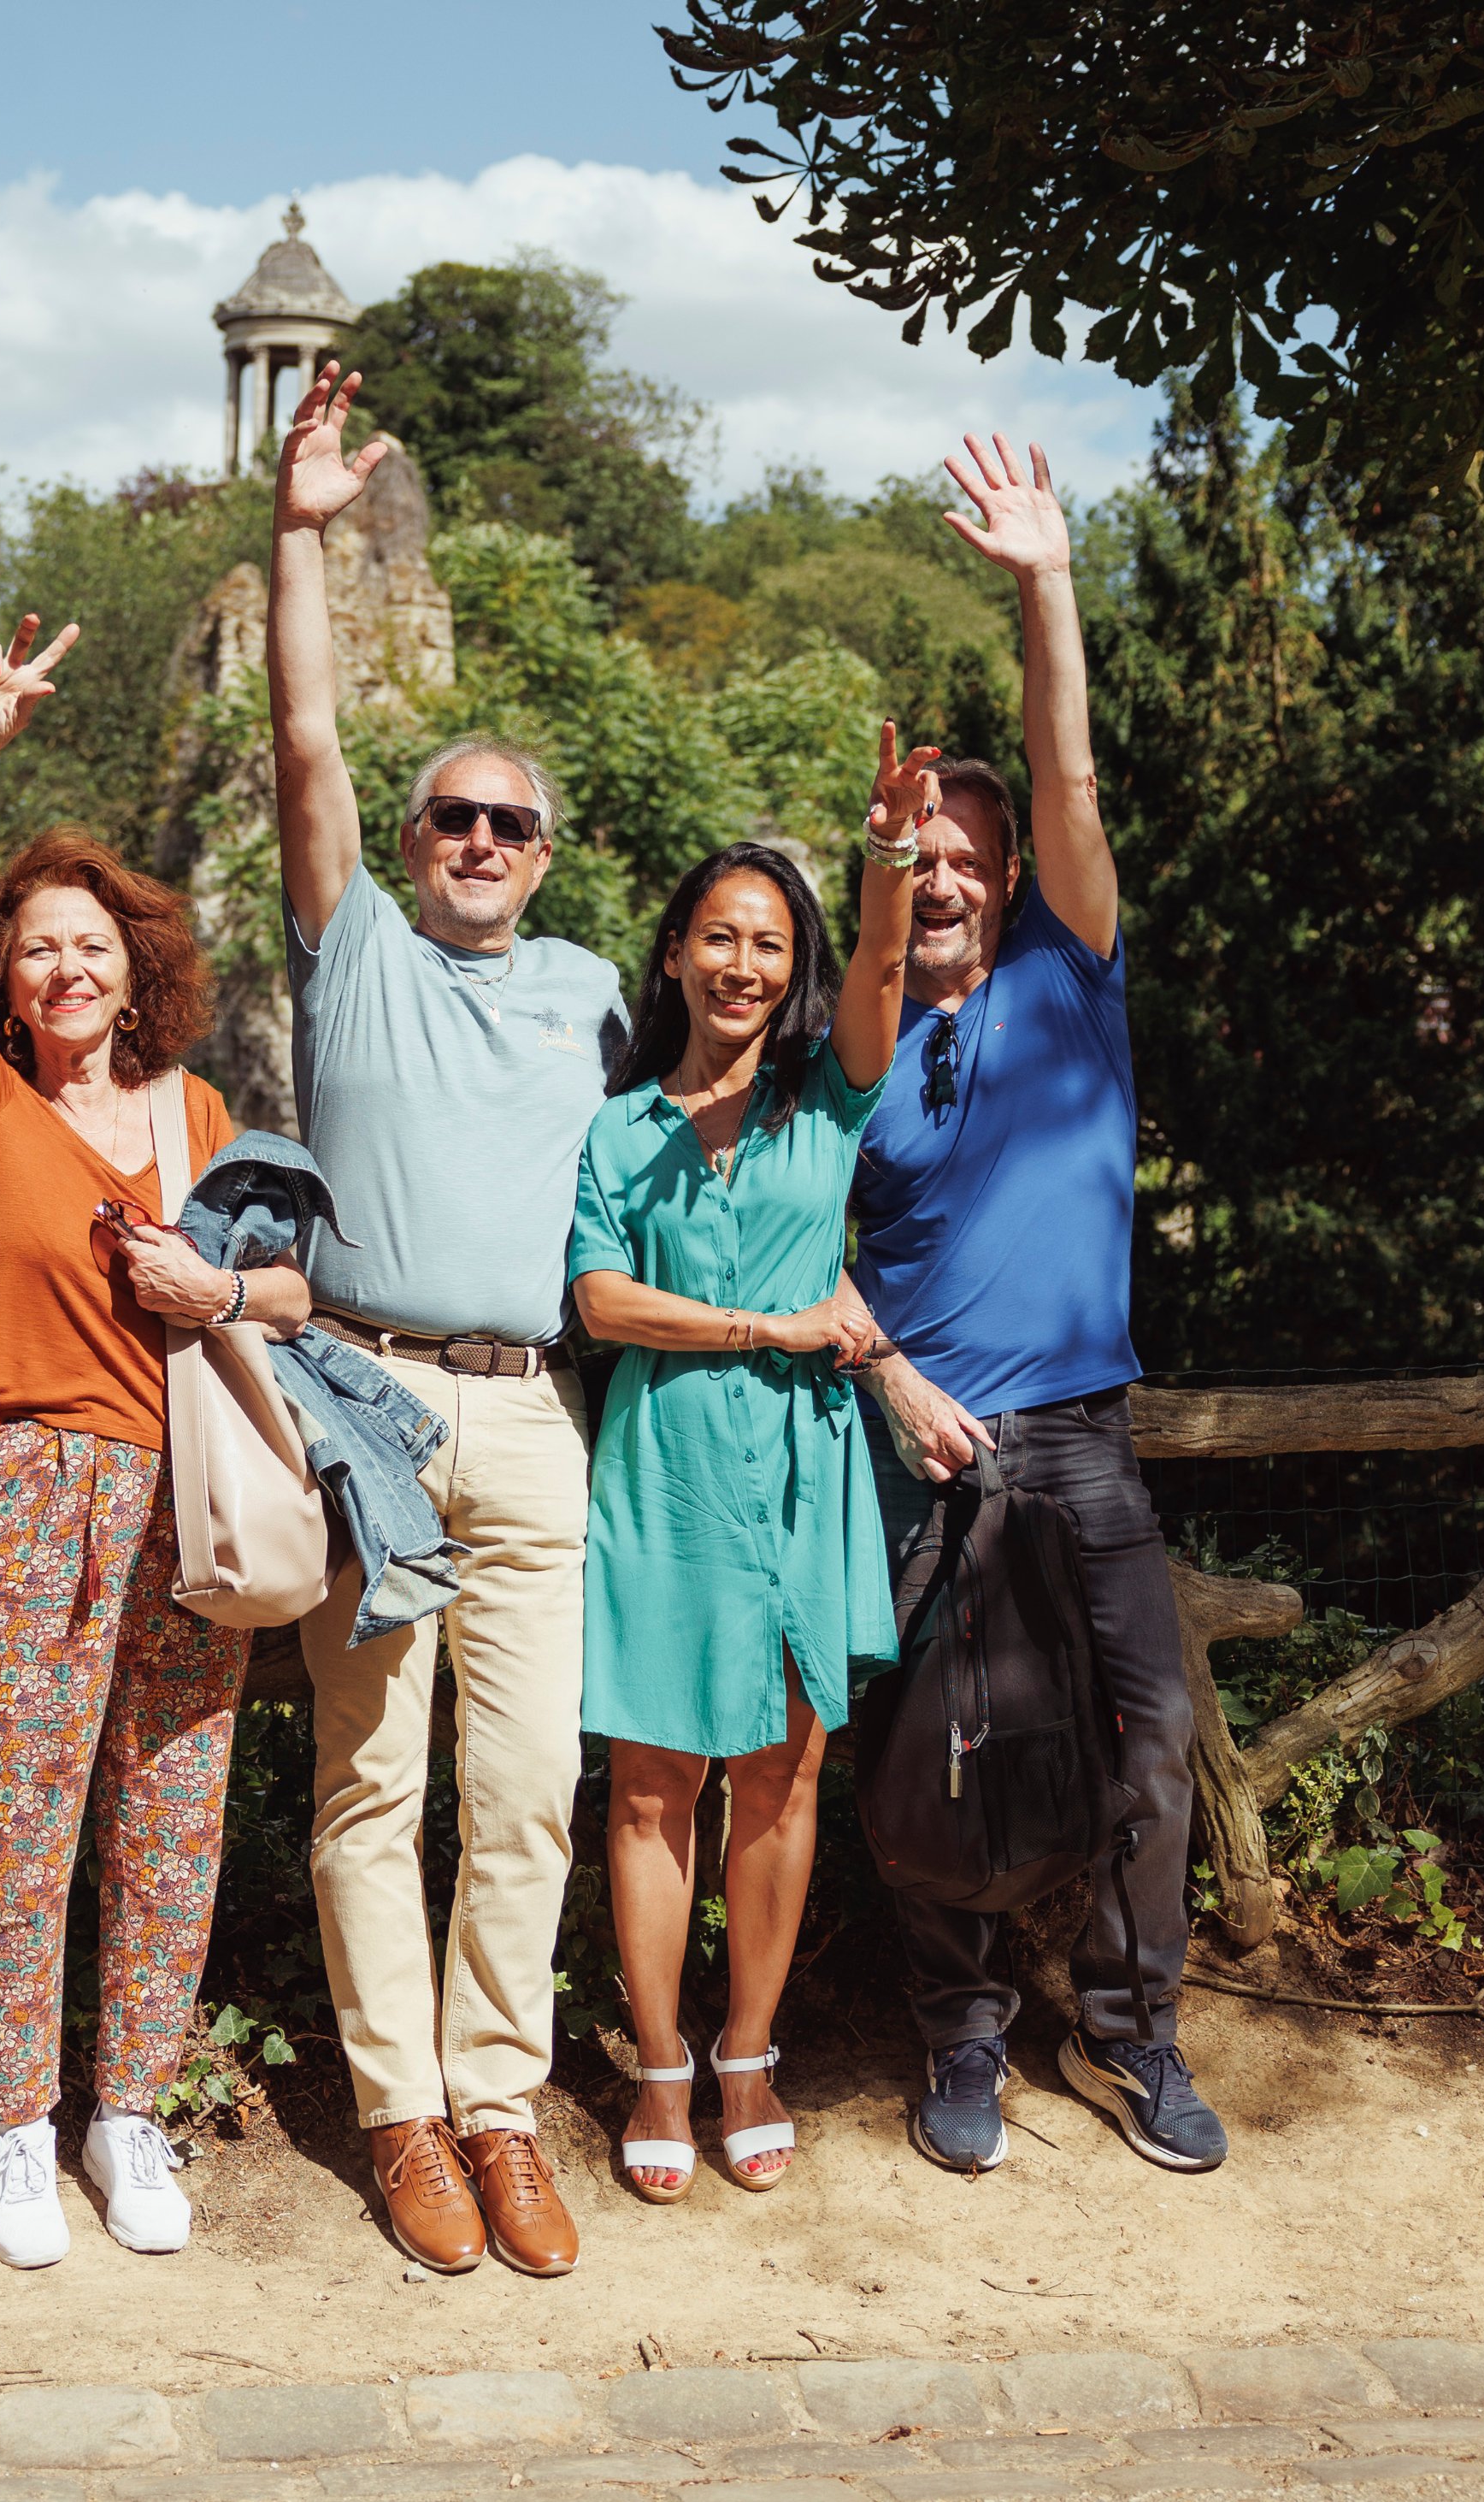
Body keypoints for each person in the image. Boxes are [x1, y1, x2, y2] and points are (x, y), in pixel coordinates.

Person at [0, 611, 314, 2271]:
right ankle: (9, 2123)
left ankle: (125, 2110)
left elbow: (291, 1290)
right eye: (37, 949)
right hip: (14, 1489)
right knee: (11, 1824)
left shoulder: (198, 1112)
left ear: (137, 966)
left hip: (179, 1501)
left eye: (92, 946)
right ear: (10, 976)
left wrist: (212, 1279)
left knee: (170, 1812)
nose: (63, 969)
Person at [268, 363, 631, 2279]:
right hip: (371, 1408)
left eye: (510, 821)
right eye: (453, 817)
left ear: (546, 851)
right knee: (370, 1779)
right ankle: (397, 2113)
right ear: (412, 843)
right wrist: (299, 537)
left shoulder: (586, 990)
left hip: (535, 1415)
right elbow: (307, 745)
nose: (478, 838)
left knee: (526, 1791)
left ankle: (501, 2103)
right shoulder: (354, 959)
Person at [843, 438, 1231, 2176]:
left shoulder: (1071, 980)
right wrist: (888, 1375)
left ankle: (1135, 2030)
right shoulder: (861, 1039)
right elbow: (803, 1241)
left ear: (1007, 873)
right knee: (934, 1759)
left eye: (963, 852)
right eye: (913, 853)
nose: (940, 875)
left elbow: (1068, 774)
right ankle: (961, 2032)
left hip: (1083, 1447)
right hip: (927, 1455)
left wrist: (1040, 580)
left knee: (1147, 1742)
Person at [569, 805, 914, 2203]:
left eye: (770, 942)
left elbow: (886, 970)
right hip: (665, 1471)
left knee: (782, 1776)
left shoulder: (830, 1097)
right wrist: (766, 1329)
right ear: (674, 955)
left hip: (798, 1475)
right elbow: (599, 1301)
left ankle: (751, 2051)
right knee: (655, 1780)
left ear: (794, 965)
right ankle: (660, 2060)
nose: (744, 961)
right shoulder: (617, 1128)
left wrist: (888, 859)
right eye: (719, 934)